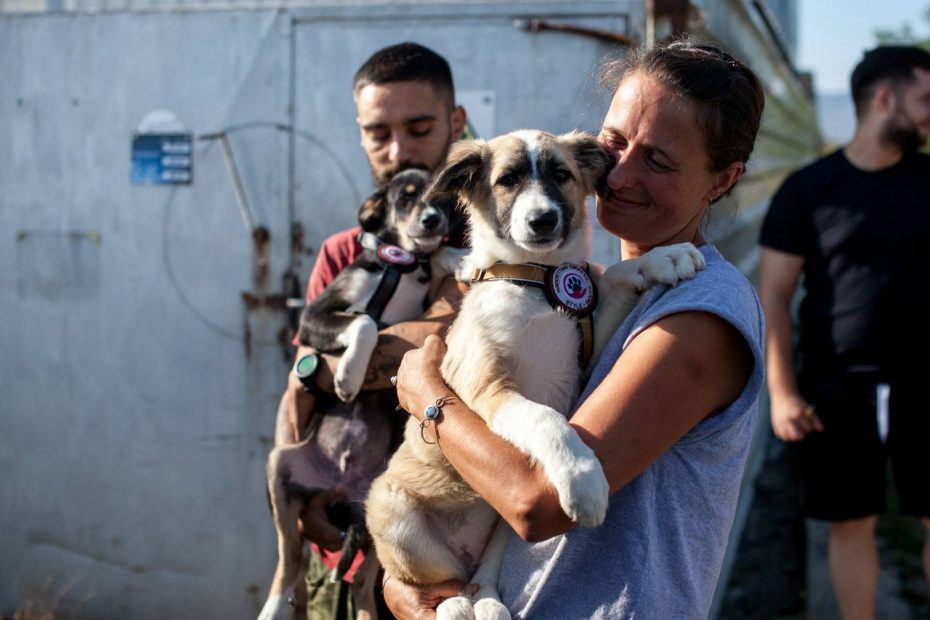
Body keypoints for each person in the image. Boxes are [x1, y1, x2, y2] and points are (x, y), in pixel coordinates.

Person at [382, 39, 766, 619]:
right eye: (613, 144)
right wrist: (409, 593)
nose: (618, 173)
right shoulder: (598, 287)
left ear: (722, 179)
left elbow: (534, 502)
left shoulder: (702, 314)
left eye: (658, 161)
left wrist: (428, 397)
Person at [277, 42, 468, 619]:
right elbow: (300, 386)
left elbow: (438, 348)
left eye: (419, 128)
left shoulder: (489, 244)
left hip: (446, 559)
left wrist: (338, 364)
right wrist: (304, 498)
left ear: (455, 124)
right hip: (344, 555)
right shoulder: (343, 252)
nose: (397, 151)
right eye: (377, 133)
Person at [759, 45, 930, 620]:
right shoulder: (809, 189)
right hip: (835, 389)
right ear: (885, 98)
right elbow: (775, 297)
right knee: (849, 523)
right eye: (925, 100)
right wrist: (782, 393)